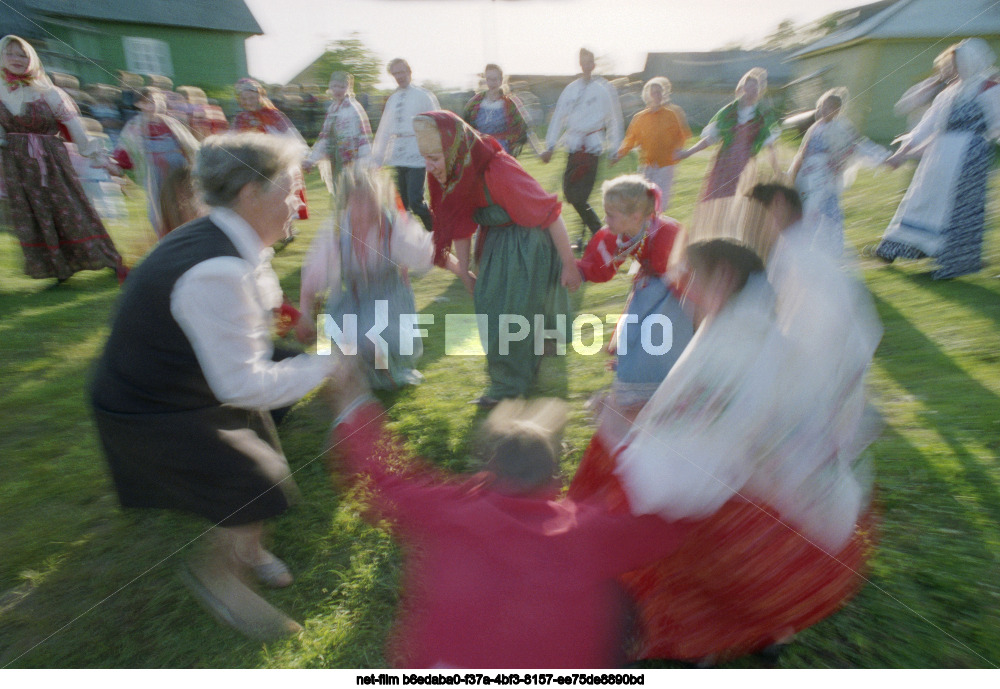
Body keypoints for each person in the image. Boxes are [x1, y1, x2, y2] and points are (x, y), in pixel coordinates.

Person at [569, 203, 880, 663]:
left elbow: (693, 443)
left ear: (724, 279)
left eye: (694, 280)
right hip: (765, 490)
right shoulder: (743, 329)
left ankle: (699, 640)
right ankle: (757, 637)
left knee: (631, 491)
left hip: (754, 509)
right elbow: (698, 414)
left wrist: (621, 434)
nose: (686, 291)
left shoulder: (737, 344)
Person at [89, 133, 333, 640]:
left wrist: (308, 355)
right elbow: (242, 383)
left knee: (262, 434)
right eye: (289, 190)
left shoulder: (224, 236)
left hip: (173, 379)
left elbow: (254, 329)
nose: (298, 202)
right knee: (253, 473)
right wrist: (333, 365)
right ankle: (219, 576)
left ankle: (248, 548)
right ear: (249, 192)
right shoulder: (216, 267)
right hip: (147, 404)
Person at [326, 366, 691, 668]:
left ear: (489, 470)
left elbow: (383, 479)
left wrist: (355, 404)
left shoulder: (447, 508)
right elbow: (665, 526)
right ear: (556, 479)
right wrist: (629, 440)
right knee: (618, 599)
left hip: (444, 666)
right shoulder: (587, 529)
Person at [413, 110, 581, 407]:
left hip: (528, 243)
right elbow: (461, 223)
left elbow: (551, 214)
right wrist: (464, 272)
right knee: (489, 303)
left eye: (435, 158)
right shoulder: (453, 171)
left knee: (508, 310)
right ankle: (521, 368)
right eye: (425, 158)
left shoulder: (498, 170)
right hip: (496, 242)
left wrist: (569, 265)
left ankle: (509, 387)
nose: (429, 166)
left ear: (453, 150)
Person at [0, 35, 127, 284]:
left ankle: (109, 258)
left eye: (23, 54)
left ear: (32, 58)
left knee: (71, 209)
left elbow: (77, 131)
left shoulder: (49, 92)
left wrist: (103, 160)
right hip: (16, 166)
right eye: (10, 53)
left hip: (51, 162)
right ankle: (59, 269)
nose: (17, 59)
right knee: (35, 215)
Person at [874, 38, 1000, 279]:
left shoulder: (990, 89)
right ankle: (894, 248)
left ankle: (952, 261)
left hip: (970, 158)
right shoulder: (949, 93)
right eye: (953, 63)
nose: (954, 67)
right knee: (922, 200)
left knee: (956, 208)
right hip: (939, 156)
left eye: (958, 62)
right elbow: (925, 127)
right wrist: (900, 155)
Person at [297, 166, 433, 388]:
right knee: (348, 349)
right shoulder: (336, 230)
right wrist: (305, 315)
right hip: (352, 301)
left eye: (371, 199)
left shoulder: (393, 225)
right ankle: (362, 369)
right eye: (358, 200)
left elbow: (425, 254)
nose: (366, 207)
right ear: (347, 201)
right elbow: (313, 276)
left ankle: (386, 367)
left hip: (390, 300)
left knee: (374, 341)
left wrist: (459, 267)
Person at [575, 175, 694, 408]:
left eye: (610, 214)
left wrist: (697, 310)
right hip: (651, 286)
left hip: (674, 292)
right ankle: (635, 375)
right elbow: (602, 261)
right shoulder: (621, 232)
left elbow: (682, 276)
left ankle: (654, 385)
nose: (605, 219)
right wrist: (579, 271)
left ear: (635, 216)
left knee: (658, 336)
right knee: (636, 328)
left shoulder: (667, 233)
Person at [677, 68, 778, 239]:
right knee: (714, 197)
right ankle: (707, 234)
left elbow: (770, 146)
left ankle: (730, 236)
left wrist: (776, 170)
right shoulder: (728, 112)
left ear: (760, 91)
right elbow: (710, 139)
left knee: (739, 200)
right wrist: (688, 152)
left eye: (756, 89)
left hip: (746, 165)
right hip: (724, 164)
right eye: (749, 88)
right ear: (743, 88)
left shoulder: (762, 116)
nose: (752, 92)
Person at [789, 89, 888, 257]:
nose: (824, 111)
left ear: (838, 110)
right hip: (808, 175)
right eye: (822, 107)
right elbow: (803, 152)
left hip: (826, 178)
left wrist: (880, 157)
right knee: (807, 210)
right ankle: (802, 248)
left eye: (830, 107)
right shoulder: (814, 128)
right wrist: (792, 173)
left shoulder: (842, 128)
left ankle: (830, 251)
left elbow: (857, 145)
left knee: (829, 213)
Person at [541, 48, 624, 242]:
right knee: (571, 193)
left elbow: (614, 119)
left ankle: (598, 233)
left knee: (581, 195)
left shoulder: (604, 89)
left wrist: (614, 149)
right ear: (580, 64)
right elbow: (559, 117)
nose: (586, 65)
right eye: (582, 62)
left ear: (593, 64)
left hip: (592, 147)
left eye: (589, 62)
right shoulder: (571, 89)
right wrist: (550, 146)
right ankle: (589, 234)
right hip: (574, 145)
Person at [112, 86, 199, 239]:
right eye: (149, 102)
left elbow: (189, 145)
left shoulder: (172, 123)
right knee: (159, 206)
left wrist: (195, 162)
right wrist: (117, 164)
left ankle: (189, 231)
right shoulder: (135, 126)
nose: (154, 105)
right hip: (155, 174)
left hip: (177, 170)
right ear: (139, 104)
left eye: (158, 101)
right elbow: (125, 150)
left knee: (182, 202)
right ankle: (167, 236)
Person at [371, 59, 439, 231]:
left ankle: (437, 233)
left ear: (409, 72)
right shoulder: (392, 100)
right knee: (402, 205)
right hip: (397, 155)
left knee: (416, 201)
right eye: (395, 74)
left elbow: (436, 123)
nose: (399, 77)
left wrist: (435, 153)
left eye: (402, 72)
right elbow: (384, 129)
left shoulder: (424, 95)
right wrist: (377, 158)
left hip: (417, 154)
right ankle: (409, 241)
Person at [231, 78, 309, 221]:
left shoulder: (274, 116)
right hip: (251, 164)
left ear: (259, 96)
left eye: (252, 97)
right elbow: (232, 141)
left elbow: (291, 136)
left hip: (272, 162)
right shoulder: (240, 119)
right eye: (245, 98)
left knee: (278, 195)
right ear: (240, 99)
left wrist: (303, 156)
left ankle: (286, 227)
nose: (249, 101)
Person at [611, 77, 690, 208]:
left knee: (660, 203)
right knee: (644, 202)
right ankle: (646, 228)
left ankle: (657, 227)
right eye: (654, 92)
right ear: (647, 95)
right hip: (647, 165)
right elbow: (630, 140)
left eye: (659, 92)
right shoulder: (640, 117)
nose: (657, 95)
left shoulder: (670, 115)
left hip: (666, 164)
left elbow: (681, 135)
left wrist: (678, 149)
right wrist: (619, 155)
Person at [303, 71, 372, 186]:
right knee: (340, 197)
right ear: (330, 87)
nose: (338, 90)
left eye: (342, 87)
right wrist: (311, 160)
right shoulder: (332, 109)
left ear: (348, 88)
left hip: (353, 164)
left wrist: (363, 165)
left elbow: (363, 137)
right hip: (336, 162)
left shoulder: (354, 108)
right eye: (335, 86)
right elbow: (324, 138)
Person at [462, 63, 539, 157]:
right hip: (480, 154)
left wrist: (538, 153)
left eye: (495, 79)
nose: (491, 83)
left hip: (503, 154)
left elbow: (525, 129)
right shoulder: (474, 104)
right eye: (488, 79)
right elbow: (464, 130)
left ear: (501, 80)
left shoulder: (510, 103)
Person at [894, 45, 960, 130]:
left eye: (955, 65)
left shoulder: (963, 88)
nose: (951, 70)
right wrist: (934, 85)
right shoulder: (929, 84)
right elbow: (900, 108)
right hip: (919, 136)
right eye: (947, 65)